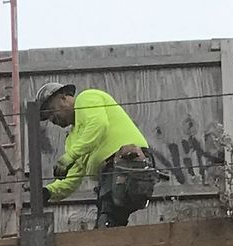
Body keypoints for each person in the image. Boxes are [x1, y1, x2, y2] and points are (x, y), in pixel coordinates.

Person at [39, 82, 158, 226]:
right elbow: (73, 177)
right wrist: (49, 192)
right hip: (111, 175)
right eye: (47, 117)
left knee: (108, 223)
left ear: (64, 97)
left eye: (51, 111)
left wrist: (69, 156)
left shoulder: (86, 99)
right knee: (108, 222)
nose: (52, 119)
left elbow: (98, 125)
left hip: (127, 162)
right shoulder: (73, 140)